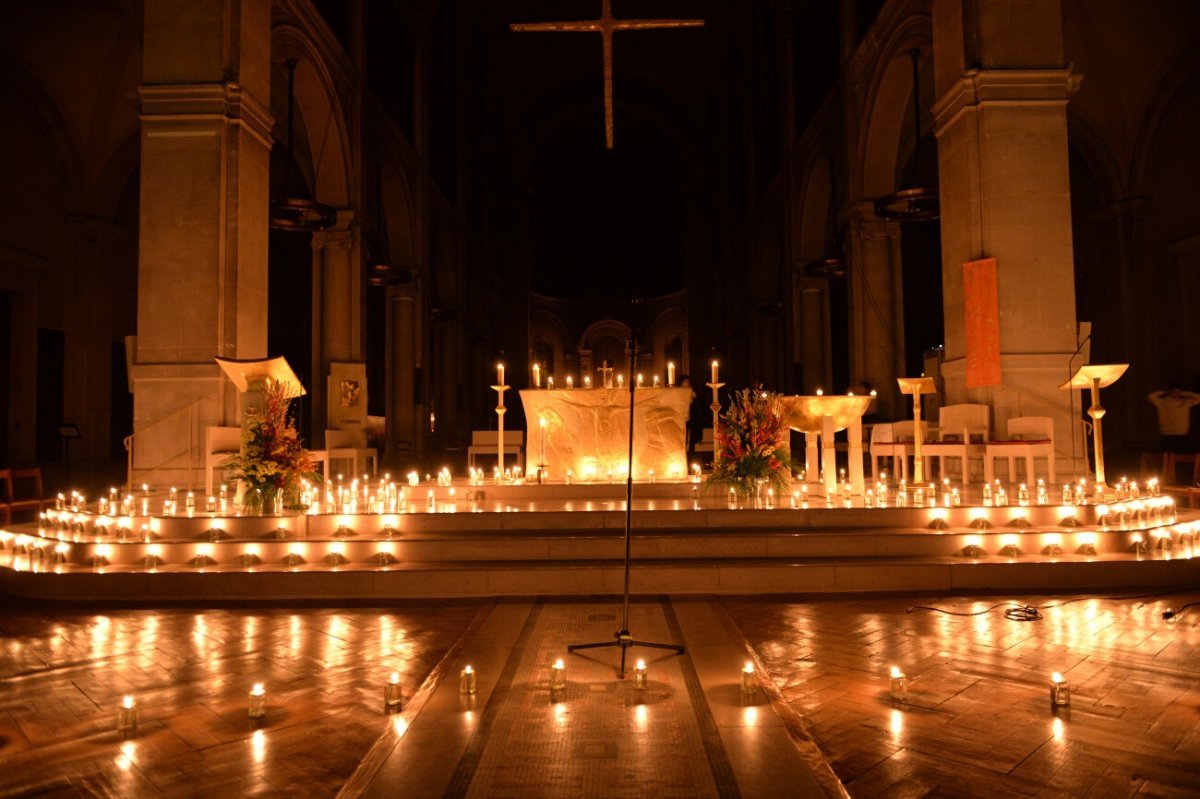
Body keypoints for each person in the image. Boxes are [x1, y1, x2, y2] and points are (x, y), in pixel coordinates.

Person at [1148, 383, 1200, 453]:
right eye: (1173, 391)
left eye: (1178, 391)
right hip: (1166, 433)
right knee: (1166, 456)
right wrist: (1165, 392)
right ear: (1169, 391)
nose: (1175, 393)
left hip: (1182, 433)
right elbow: (1151, 397)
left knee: (1181, 456)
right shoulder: (1162, 401)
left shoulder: (1186, 401)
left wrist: (1185, 393)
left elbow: (1198, 398)